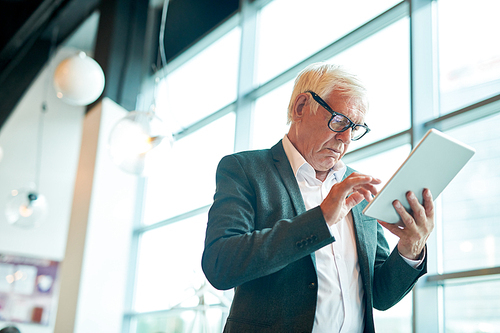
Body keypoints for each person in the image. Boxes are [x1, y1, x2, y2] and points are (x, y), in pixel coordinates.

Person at [202, 62, 434, 333]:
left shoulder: (356, 188)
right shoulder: (246, 170)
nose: (346, 138)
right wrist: (321, 219)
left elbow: (380, 296)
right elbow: (220, 265)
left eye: (356, 128)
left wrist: (410, 248)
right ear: (301, 107)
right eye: (339, 121)